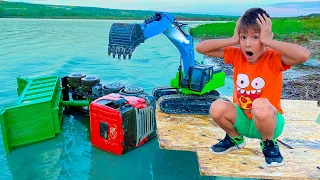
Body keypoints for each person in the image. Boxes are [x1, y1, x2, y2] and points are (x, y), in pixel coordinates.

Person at [195, 8, 310, 167]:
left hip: (269, 123)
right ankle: (235, 139)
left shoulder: (273, 57)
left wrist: (268, 41)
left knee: (260, 104)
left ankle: (269, 144)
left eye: (256, 37)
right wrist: (232, 39)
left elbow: (303, 55)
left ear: (265, 37)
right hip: (243, 121)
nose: (247, 43)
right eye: (243, 37)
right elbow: (200, 48)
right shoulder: (237, 55)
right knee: (217, 106)